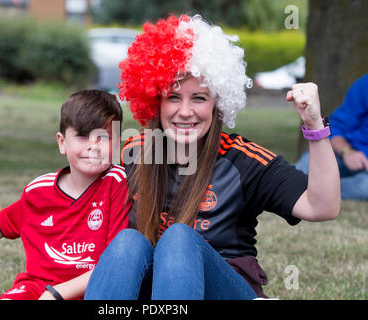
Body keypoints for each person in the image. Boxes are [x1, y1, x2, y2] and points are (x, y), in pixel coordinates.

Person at [84, 15, 340, 300]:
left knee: (179, 238)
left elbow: (322, 207)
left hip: (226, 292)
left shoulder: (243, 160)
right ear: (155, 100)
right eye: (173, 97)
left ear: (219, 103)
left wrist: (315, 126)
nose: (184, 111)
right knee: (128, 242)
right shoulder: (132, 153)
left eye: (199, 98)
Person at [0, 90, 130, 300]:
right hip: (37, 288)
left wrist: (55, 295)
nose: (93, 145)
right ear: (62, 142)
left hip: (93, 290)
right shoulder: (39, 191)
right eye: (82, 135)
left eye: (104, 137)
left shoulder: (117, 183)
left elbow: (115, 265)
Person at [295, 74, 368, 200]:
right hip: (344, 151)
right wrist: (347, 152)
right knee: (301, 170)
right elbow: (334, 127)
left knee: (364, 188)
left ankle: (318, 189)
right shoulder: (364, 85)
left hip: (363, 175)